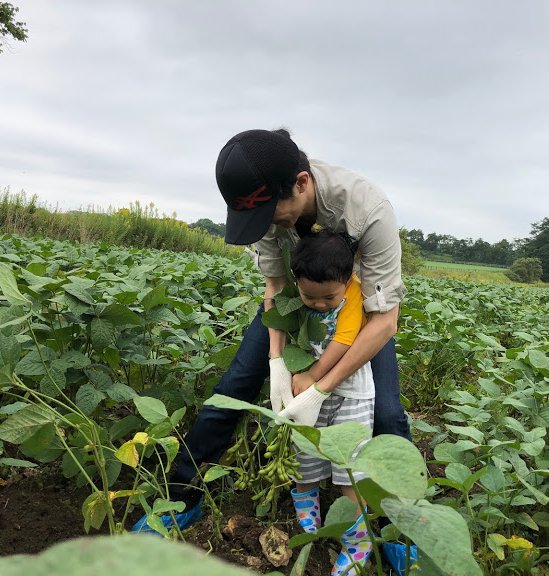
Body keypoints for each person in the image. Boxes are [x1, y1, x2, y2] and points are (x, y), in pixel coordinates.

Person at [132, 128, 410, 533]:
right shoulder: (263, 208)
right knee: (235, 387)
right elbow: (277, 288)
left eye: (267, 214)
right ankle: (181, 497)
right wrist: (278, 363)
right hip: (294, 304)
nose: (263, 224)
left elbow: (384, 319)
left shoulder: (367, 208)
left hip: (355, 313)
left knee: (386, 413)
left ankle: (398, 528)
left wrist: (320, 384)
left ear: (301, 183)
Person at [282, 229, 374, 576]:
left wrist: (313, 379)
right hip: (310, 396)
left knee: (350, 472)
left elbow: (346, 339)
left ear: (347, 279)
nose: (320, 305)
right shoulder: (297, 297)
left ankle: (358, 543)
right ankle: (310, 525)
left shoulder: (352, 293)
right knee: (303, 458)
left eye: (327, 298)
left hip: (351, 394)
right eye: (310, 298)